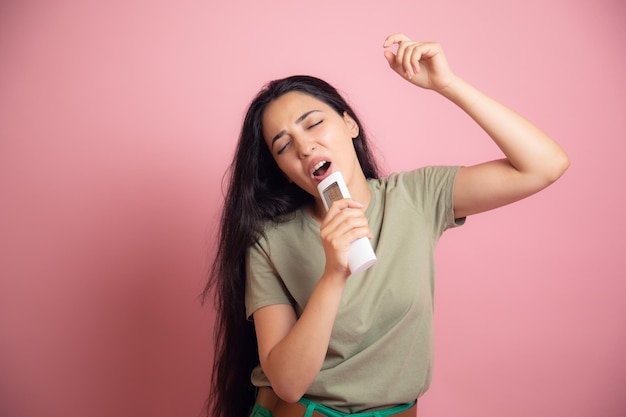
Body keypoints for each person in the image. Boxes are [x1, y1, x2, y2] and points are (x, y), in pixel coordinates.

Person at [202, 33, 569, 417]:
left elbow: (544, 165)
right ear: (284, 173)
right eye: (283, 146)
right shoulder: (270, 240)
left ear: (350, 125)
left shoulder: (417, 197)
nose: (305, 147)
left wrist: (448, 85)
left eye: (313, 125)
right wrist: (333, 274)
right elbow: (289, 384)